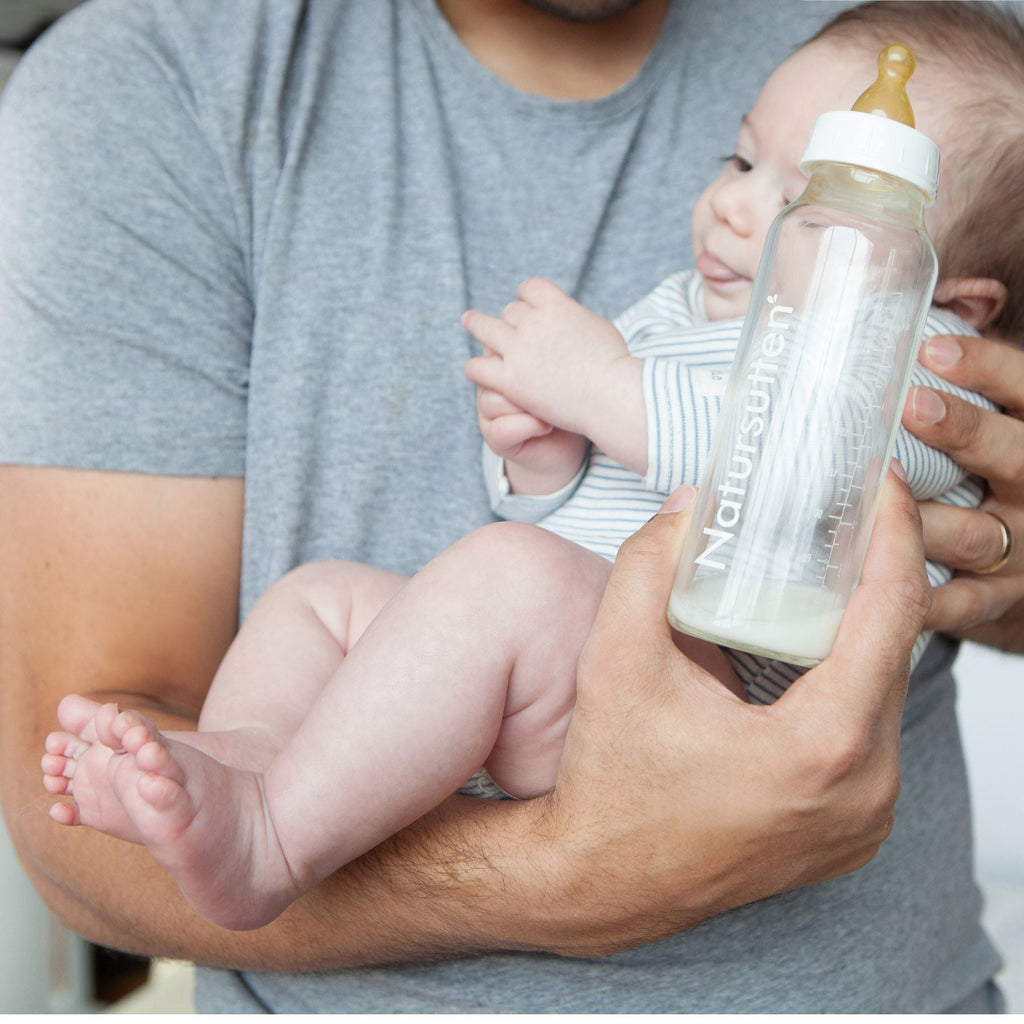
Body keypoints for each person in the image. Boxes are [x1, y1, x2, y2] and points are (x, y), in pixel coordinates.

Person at [0, 0, 1021, 1013]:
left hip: (711, 697)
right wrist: (547, 468)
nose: (735, 208)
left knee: (507, 578)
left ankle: (278, 840)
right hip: (564, 688)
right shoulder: (684, 311)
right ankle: (261, 770)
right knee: (326, 599)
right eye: (740, 163)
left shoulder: (912, 371)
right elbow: (602, 512)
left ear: (955, 303)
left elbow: (806, 464)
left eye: (805, 203)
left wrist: (607, 394)